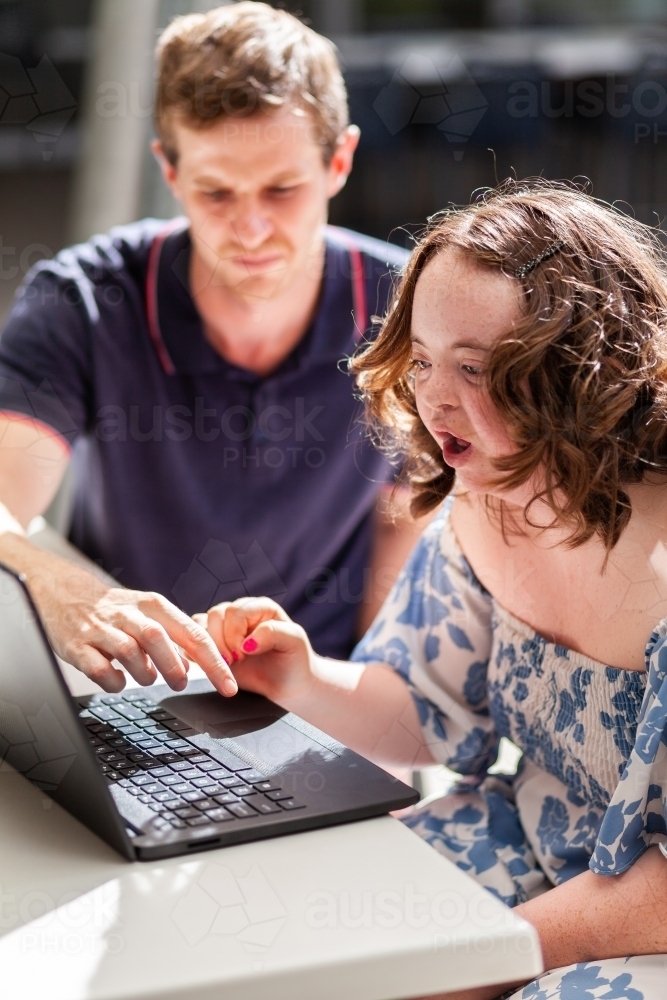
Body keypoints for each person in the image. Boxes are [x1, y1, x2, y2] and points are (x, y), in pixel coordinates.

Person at [197, 180, 667, 999]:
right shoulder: (484, 500)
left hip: (645, 917)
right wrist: (301, 677)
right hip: (535, 846)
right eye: (419, 360)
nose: (433, 397)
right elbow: (423, 712)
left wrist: (474, 957)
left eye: (476, 368)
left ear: (585, 372)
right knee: (290, 928)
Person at [0, 3, 417, 696]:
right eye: (215, 192)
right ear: (168, 170)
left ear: (338, 160)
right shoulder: (85, 297)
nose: (250, 228)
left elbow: (403, 541)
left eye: (281, 189)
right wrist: (56, 585)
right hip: (130, 688)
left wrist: (359, 711)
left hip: (321, 695)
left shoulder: (406, 310)